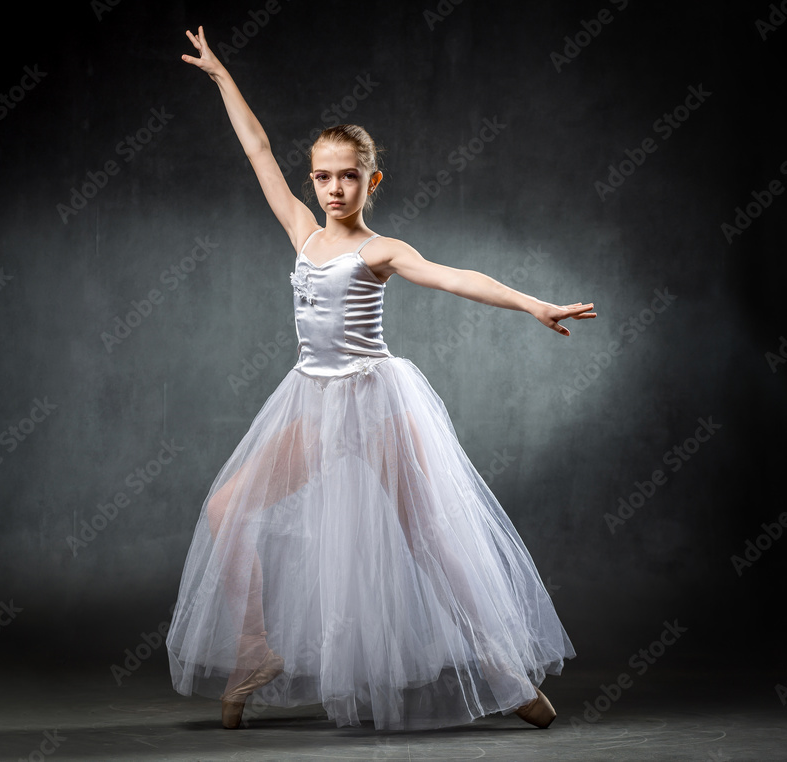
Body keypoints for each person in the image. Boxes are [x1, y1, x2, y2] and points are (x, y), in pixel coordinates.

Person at [167, 25, 596, 733]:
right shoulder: (302, 231)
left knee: (426, 530)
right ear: (313, 180)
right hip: (310, 398)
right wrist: (220, 77)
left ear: (373, 180)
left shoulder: (382, 250)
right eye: (323, 176)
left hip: (376, 400)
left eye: (349, 176)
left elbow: (455, 277)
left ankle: (500, 667)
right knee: (227, 510)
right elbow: (256, 149)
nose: (335, 188)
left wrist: (531, 303)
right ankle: (255, 650)